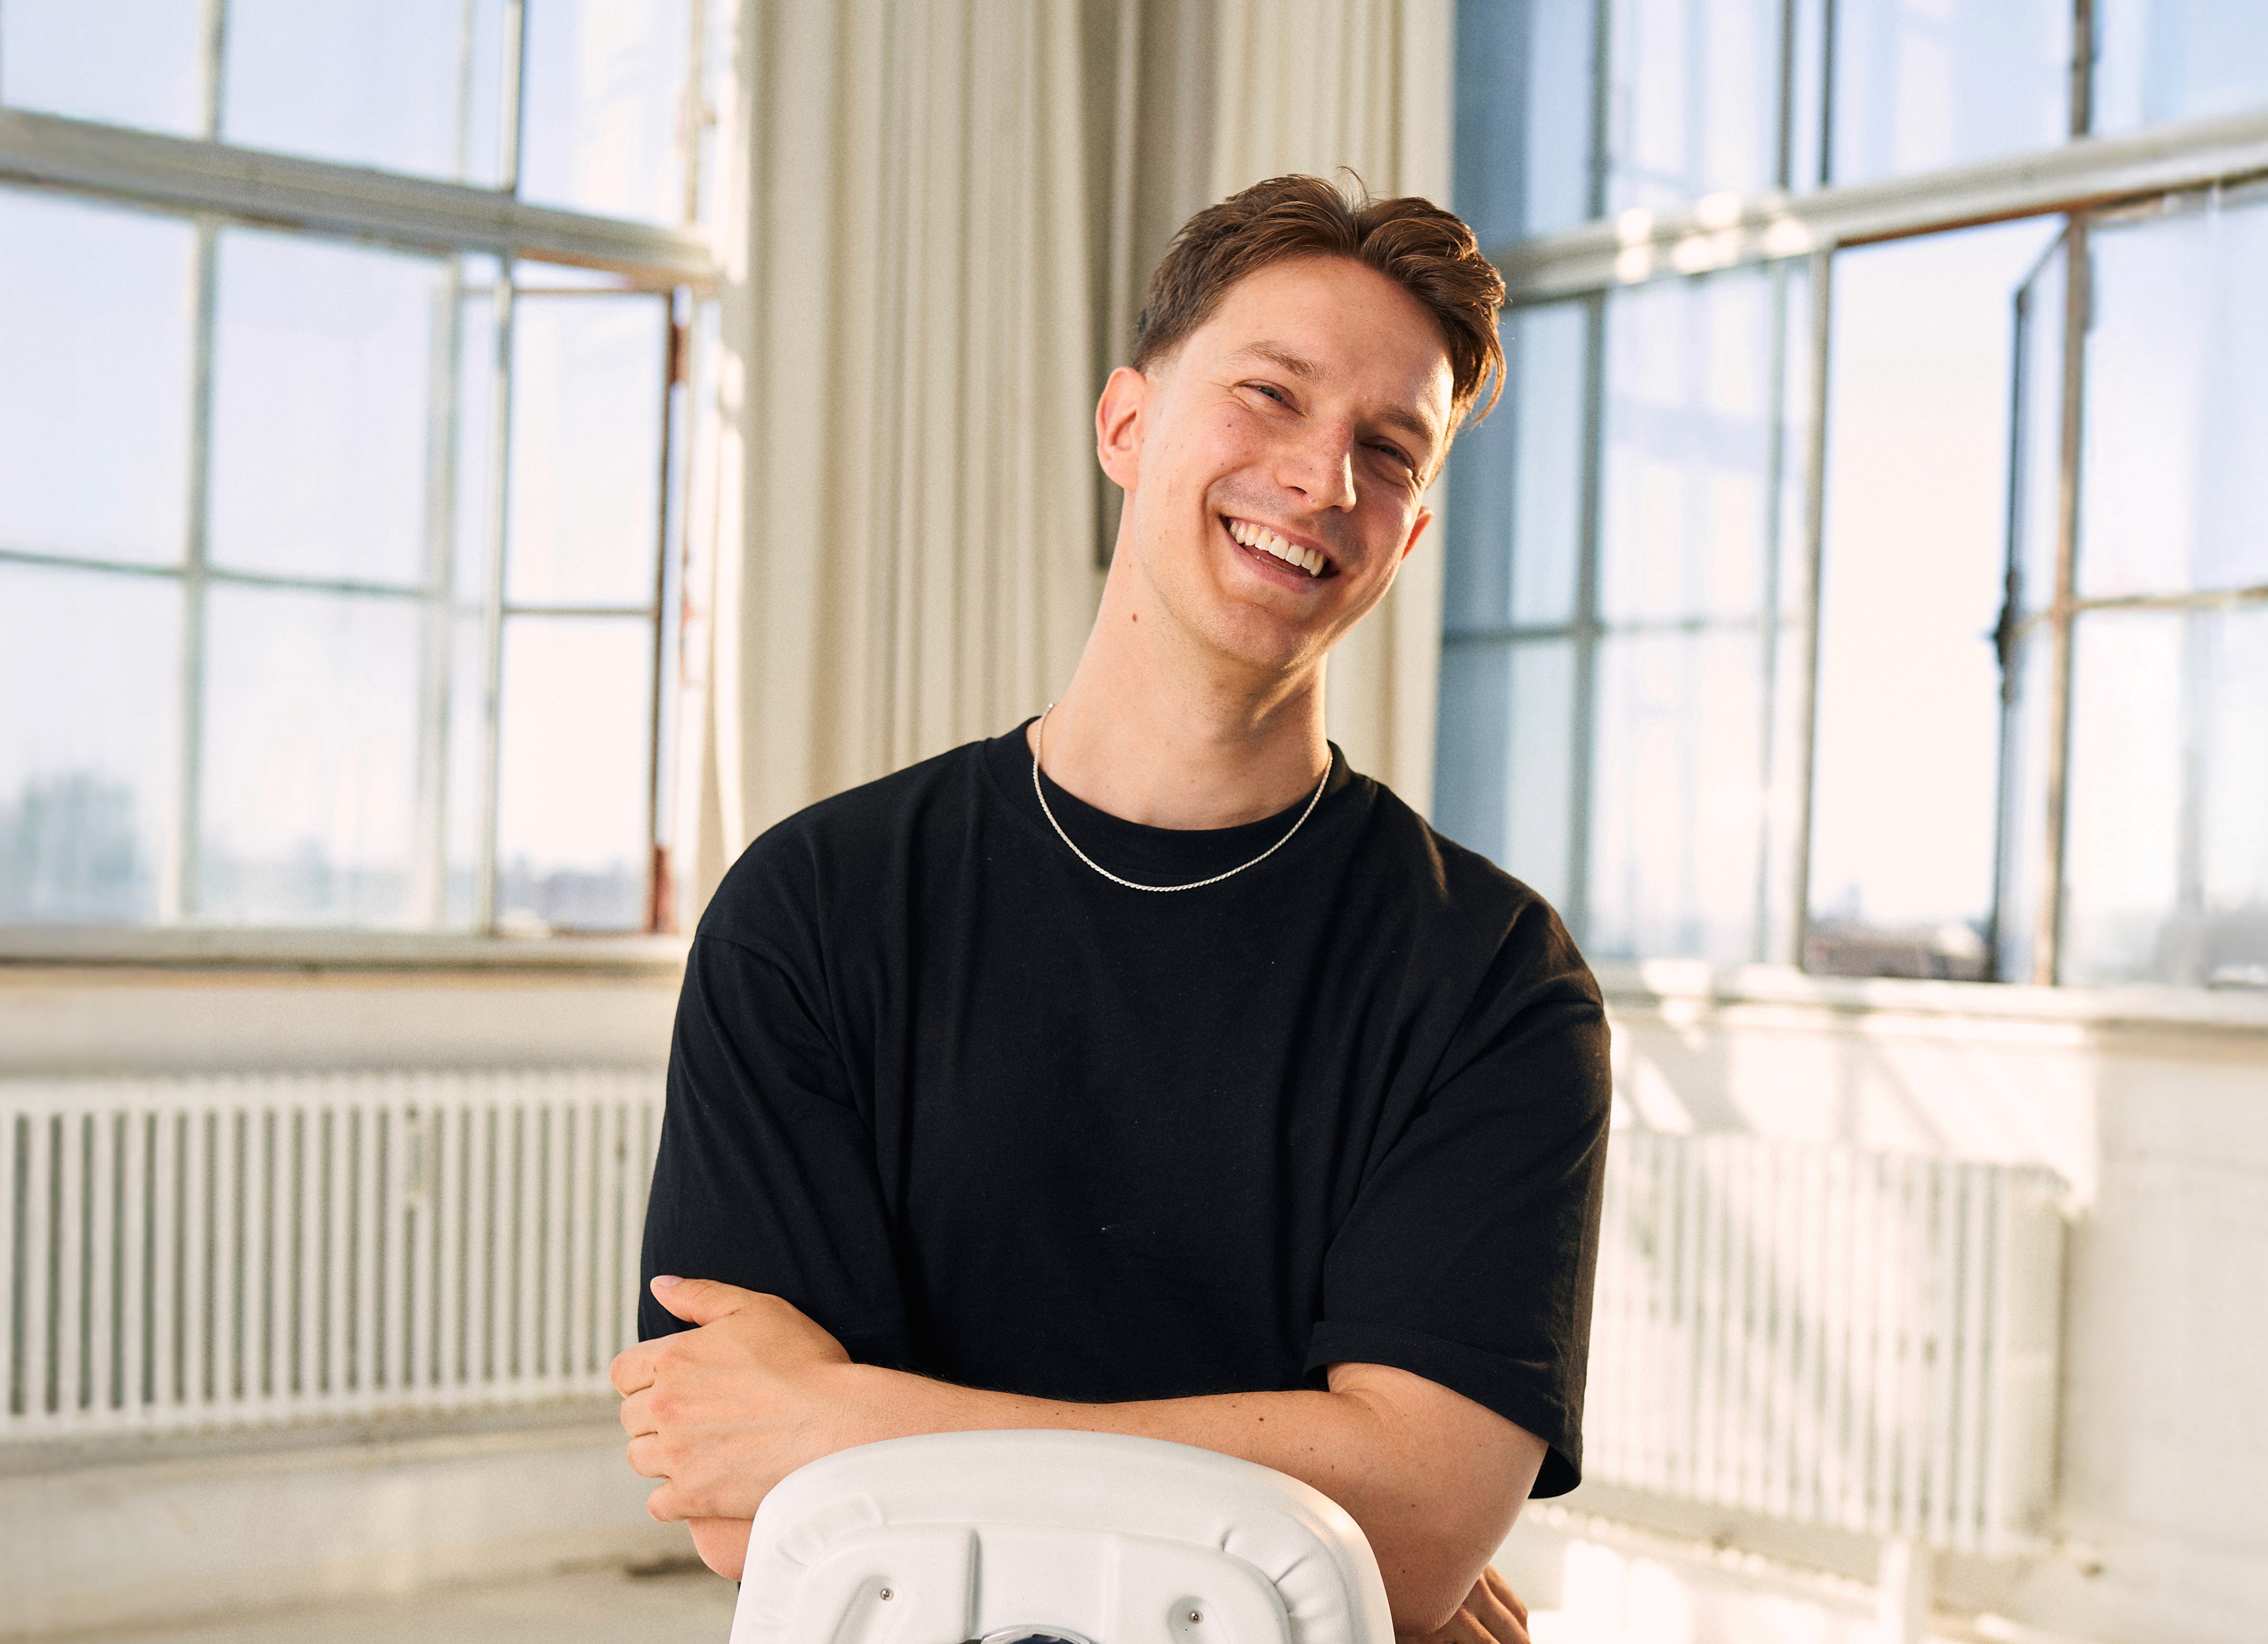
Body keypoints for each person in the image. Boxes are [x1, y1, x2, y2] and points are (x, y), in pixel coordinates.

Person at [612, 174, 1611, 1644]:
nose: (1323, 477)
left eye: (1388, 451)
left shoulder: (1494, 981)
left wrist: (849, 1423)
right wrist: (1309, 1508)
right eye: (1270, 395)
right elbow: (728, 1489)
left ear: (1406, 536)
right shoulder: (814, 905)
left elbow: (1413, 1525)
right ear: (1126, 423)